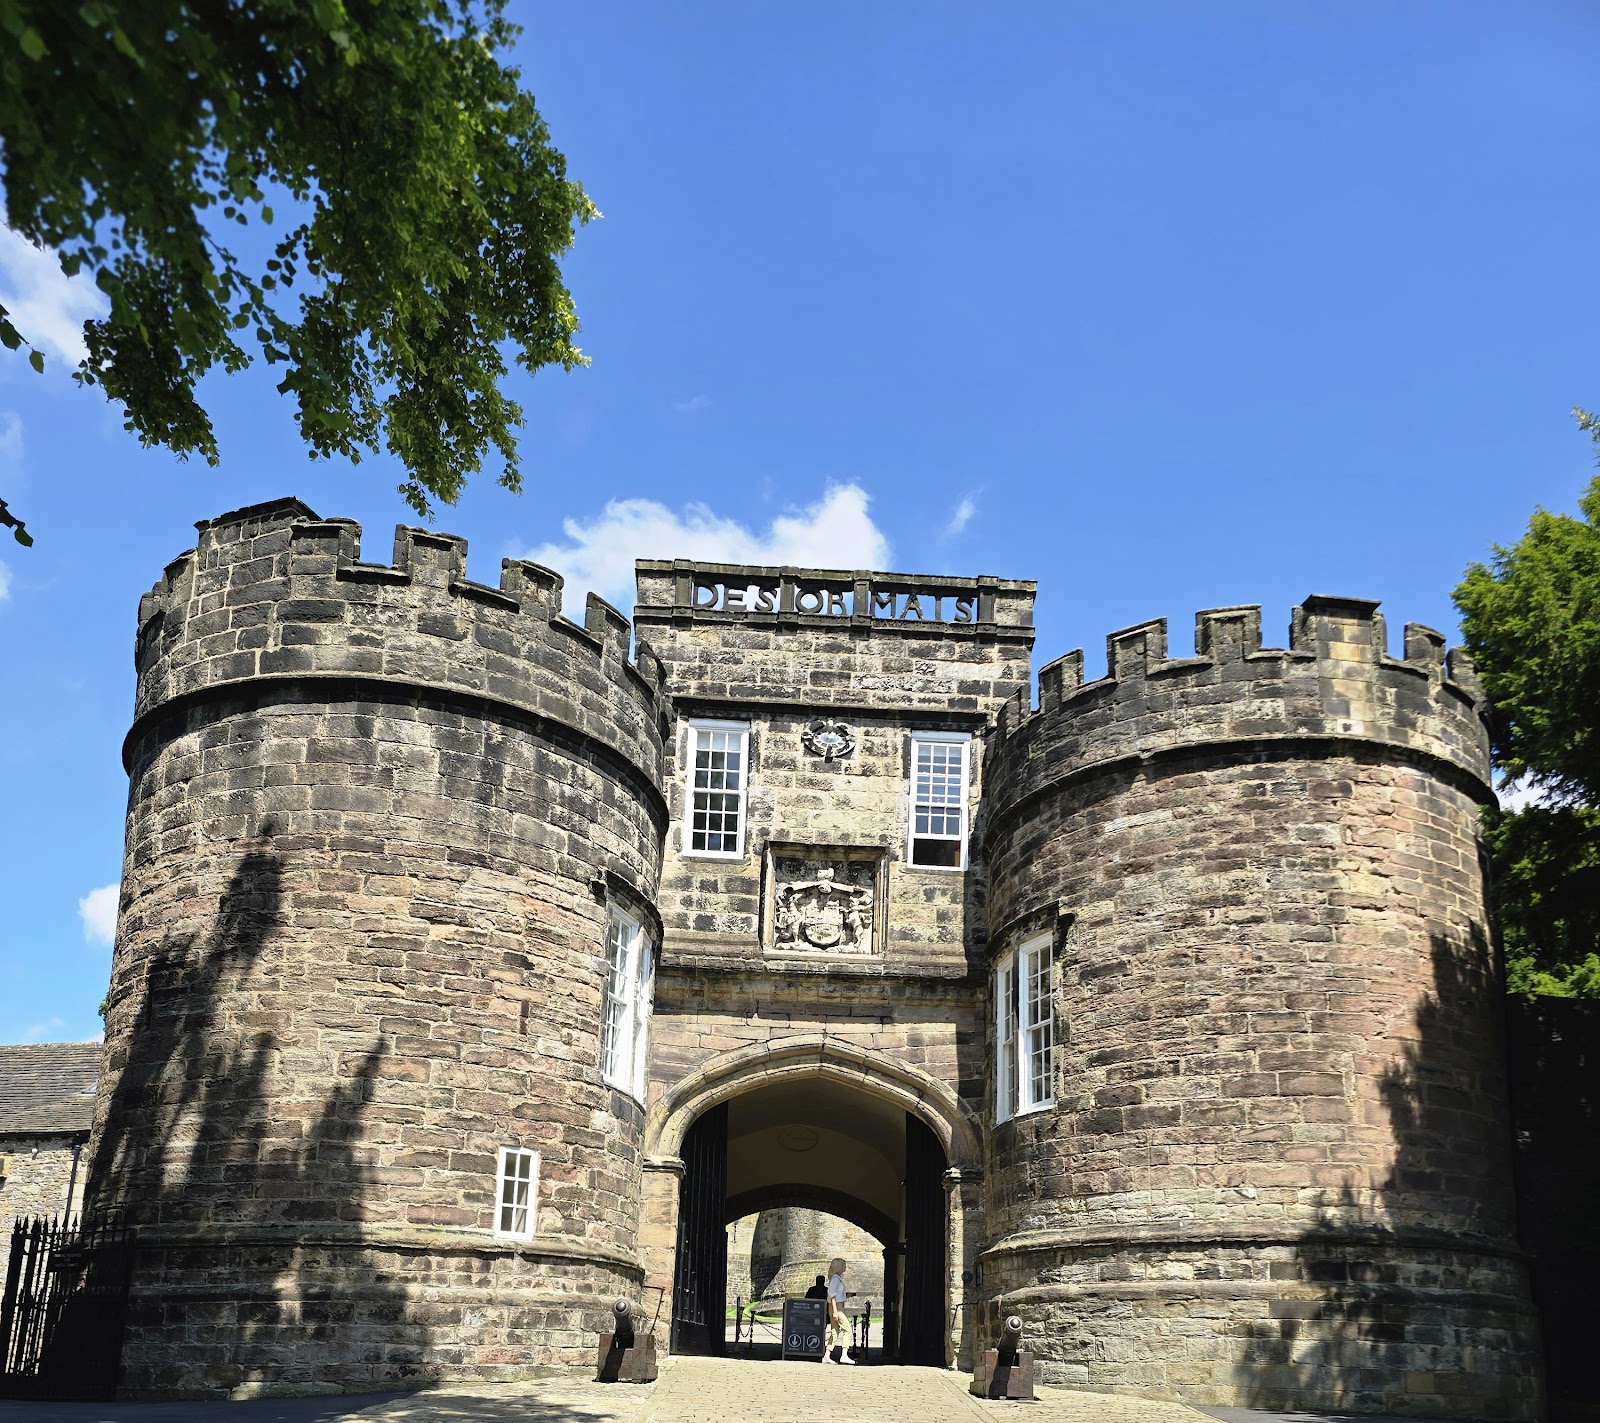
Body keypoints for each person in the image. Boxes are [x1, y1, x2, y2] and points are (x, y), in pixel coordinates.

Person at [823, 1257, 853, 1363]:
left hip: (835, 1305)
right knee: (847, 1329)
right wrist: (835, 1311)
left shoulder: (836, 1278)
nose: (845, 1267)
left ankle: (827, 1355)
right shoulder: (835, 1279)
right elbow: (832, 1295)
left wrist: (846, 1295)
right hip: (836, 1306)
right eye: (843, 1265)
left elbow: (836, 1294)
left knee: (835, 1331)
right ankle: (844, 1355)